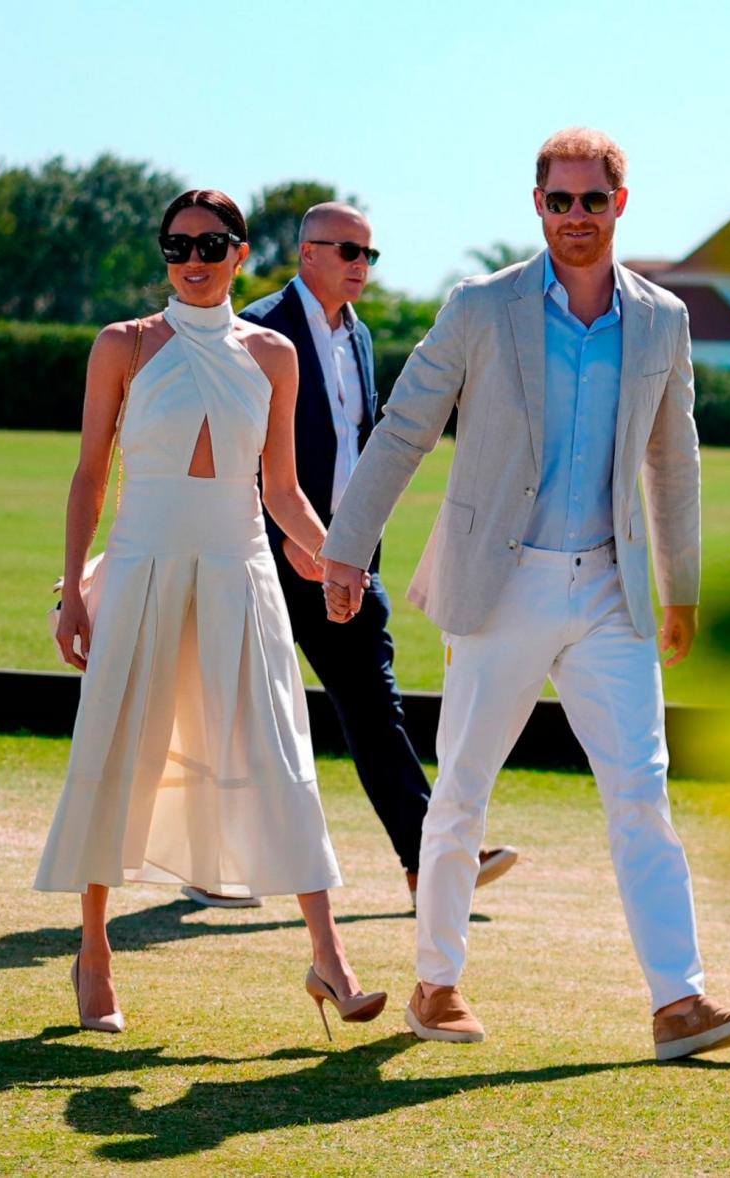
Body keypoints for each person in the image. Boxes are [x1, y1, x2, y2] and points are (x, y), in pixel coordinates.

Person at [321, 129, 730, 1059]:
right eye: (560, 201)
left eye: (592, 201)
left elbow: (673, 459)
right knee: (462, 793)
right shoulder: (480, 308)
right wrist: (346, 550)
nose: (577, 216)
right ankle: (437, 984)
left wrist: (679, 590)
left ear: (621, 202)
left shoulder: (663, 319)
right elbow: (406, 428)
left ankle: (678, 1004)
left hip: (611, 590)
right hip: (503, 583)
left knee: (643, 793)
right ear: (537, 206)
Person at [35, 189, 386, 1038]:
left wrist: (335, 562)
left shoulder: (272, 356)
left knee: (280, 750)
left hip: (242, 571)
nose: (193, 260)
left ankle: (329, 960)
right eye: (178, 245)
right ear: (165, 254)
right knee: (118, 747)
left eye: (211, 244)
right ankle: (94, 953)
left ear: (240, 253)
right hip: (144, 566)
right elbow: (90, 476)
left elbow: (283, 491)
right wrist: (73, 588)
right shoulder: (123, 345)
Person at [183, 201, 514, 912]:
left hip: (343, 555)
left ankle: (427, 861)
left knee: (372, 699)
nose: (362, 267)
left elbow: (361, 447)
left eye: (370, 255)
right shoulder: (259, 330)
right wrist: (292, 543)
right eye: (349, 252)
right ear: (307, 253)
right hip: (261, 552)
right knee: (245, 705)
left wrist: (347, 547)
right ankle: (211, 863)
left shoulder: (359, 337)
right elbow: (231, 454)